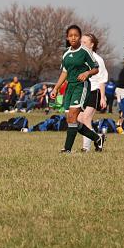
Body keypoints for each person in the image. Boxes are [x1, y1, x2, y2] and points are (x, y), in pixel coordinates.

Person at [50, 25, 104, 153]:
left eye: (76, 35)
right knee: (71, 119)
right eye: (70, 35)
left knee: (73, 115)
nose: (73, 37)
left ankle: (67, 149)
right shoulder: (66, 53)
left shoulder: (85, 51)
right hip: (70, 87)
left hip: (82, 86)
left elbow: (96, 69)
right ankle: (97, 138)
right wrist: (56, 88)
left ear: (79, 37)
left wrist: (87, 73)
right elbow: (64, 72)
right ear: (67, 38)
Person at [78, 33, 108, 152]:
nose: (82, 44)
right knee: (79, 120)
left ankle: (86, 148)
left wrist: (102, 97)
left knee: (86, 118)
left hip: (94, 91)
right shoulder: (80, 58)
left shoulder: (98, 60)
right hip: (82, 92)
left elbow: (102, 80)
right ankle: (98, 138)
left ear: (92, 44)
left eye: (85, 42)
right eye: (81, 42)